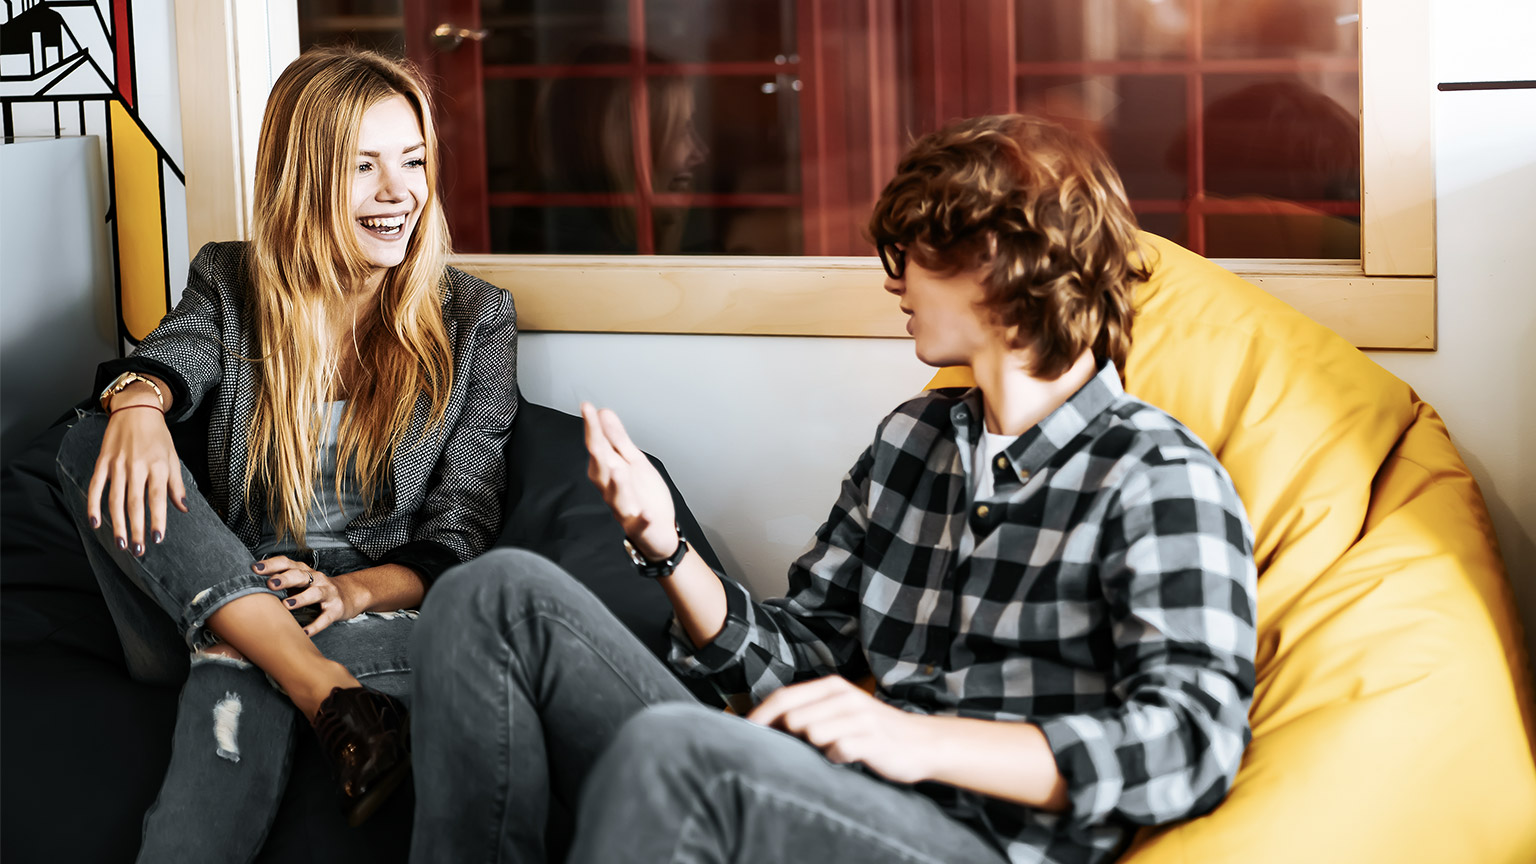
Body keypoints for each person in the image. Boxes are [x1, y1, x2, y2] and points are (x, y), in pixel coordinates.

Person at [407, 115, 1256, 864]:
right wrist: (663, 545)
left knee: (676, 750)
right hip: (826, 791)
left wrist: (917, 739)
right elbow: (795, 656)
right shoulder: (912, 443)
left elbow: (1193, 745)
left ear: (996, 261)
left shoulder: (1157, 476)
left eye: (915, 252)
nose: (893, 282)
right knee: (492, 595)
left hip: (976, 840)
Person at [52, 46, 517, 860]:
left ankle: (281, 660)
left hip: (374, 611)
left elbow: (461, 528)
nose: (397, 193)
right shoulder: (230, 282)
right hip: (209, 589)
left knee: (234, 659)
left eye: (412, 162)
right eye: (363, 166)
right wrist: (136, 403)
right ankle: (329, 693)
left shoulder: (477, 320)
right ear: (304, 177)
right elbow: (178, 352)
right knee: (88, 438)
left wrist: (347, 592)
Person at [533, 43, 709, 254]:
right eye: (680, 131)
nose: (700, 153)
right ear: (625, 146)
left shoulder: (569, 230)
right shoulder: (588, 253)